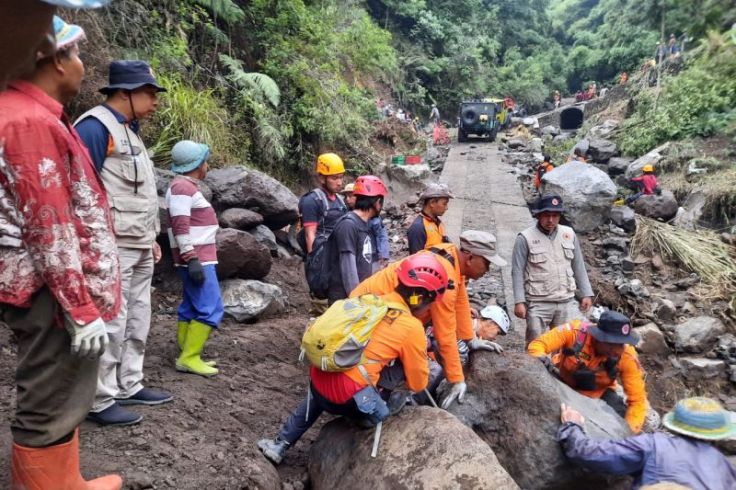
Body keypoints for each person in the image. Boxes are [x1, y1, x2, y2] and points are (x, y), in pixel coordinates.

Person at [0, 15, 123, 489]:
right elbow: (48, 226)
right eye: (75, 53)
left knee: (66, 392)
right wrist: (80, 306)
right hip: (52, 293)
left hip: (53, 288)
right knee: (51, 398)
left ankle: (66, 481)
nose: (81, 64)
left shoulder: (32, 114)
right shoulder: (29, 122)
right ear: (52, 60)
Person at [257, 254, 450, 465]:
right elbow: (418, 383)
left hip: (318, 383)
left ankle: (281, 443)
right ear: (420, 298)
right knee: (399, 368)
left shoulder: (370, 300)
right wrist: (421, 350)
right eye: (431, 302)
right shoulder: (411, 327)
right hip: (349, 401)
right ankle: (371, 415)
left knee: (338, 374)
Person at [75, 60, 172, 426]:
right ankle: (100, 398)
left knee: (137, 317)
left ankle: (129, 383)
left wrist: (152, 237)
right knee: (112, 320)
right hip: (112, 243)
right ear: (125, 93)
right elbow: (81, 190)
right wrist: (92, 245)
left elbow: (140, 192)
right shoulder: (95, 128)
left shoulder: (129, 130)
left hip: (139, 242)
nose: (154, 101)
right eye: (150, 93)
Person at [352, 230, 507, 410]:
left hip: (369, 307)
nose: (487, 270)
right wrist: (457, 379)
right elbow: (445, 335)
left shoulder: (450, 254)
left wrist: (469, 339)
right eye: (486, 263)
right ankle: (378, 404)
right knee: (403, 357)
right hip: (367, 315)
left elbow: (461, 299)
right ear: (470, 257)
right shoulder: (445, 280)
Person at [558, 397, 736, 489]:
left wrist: (572, 426)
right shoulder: (724, 466)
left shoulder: (654, 445)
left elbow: (591, 454)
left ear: (674, 425)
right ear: (718, 434)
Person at [528, 310, 648, 433]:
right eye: (612, 344)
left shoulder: (627, 356)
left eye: (621, 344)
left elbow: (637, 400)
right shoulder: (575, 332)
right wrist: (540, 358)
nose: (617, 350)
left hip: (599, 395)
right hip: (561, 383)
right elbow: (537, 345)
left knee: (620, 419)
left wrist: (628, 434)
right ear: (599, 337)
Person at [165, 140, 223, 378]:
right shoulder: (182, 188)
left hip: (195, 257)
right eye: (205, 160)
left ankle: (188, 353)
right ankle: (189, 357)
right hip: (197, 259)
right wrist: (192, 258)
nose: (207, 165)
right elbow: (180, 226)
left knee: (190, 306)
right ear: (198, 164)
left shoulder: (181, 186)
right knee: (211, 307)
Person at [512, 194, 594, 345]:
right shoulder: (525, 238)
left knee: (565, 346)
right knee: (535, 344)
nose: (551, 220)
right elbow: (517, 271)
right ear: (538, 215)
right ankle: (534, 368)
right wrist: (519, 301)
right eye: (546, 215)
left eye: (555, 216)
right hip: (538, 302)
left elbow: (578, 265)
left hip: (566, 300)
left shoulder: (568, 234)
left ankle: (558, 369)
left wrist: (586, 293)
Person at [327, 175, 387, 304]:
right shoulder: (348, 225)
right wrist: (356, 300)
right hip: (345, 300)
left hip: (360, 296)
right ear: (377, 202)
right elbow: (348, 266)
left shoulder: (366, 224)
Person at [342, 182, 390, 271]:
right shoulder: (345, 216)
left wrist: (383, 255)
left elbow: (381, 236)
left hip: (372, 255)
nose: (347, 199)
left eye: (351, 196)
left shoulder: (373, 218)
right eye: (346, 197)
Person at [407, 183, 453, 254]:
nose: (447, 208)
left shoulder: (438, 222)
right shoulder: (418, 228)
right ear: (432, 203)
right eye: (444, 204)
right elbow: (416, 261)